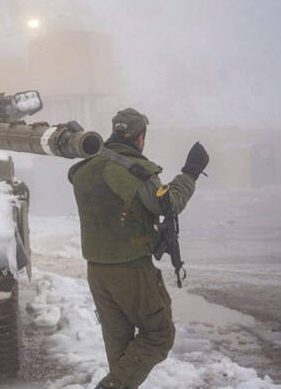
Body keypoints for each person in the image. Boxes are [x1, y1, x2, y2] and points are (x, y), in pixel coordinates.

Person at [67, 108, 209, 389]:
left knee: (119, 349)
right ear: (140, 137)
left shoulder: (86, 167)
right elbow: (166, 203)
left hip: (97, 270)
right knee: (159, 335)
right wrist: (190, 173)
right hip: (130, 269)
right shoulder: (128, 168)